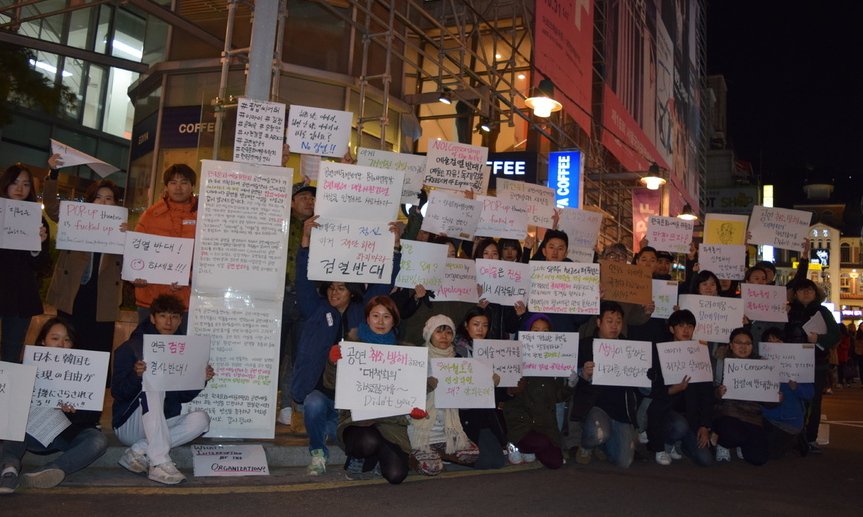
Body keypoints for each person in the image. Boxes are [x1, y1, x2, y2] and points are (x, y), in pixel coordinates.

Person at [291, 215, 400, 476]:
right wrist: (305, 244)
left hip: (352, 400)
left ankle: (347, 442)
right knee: (314, 404)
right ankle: (318, 452)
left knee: (346, 429)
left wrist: (394, 248)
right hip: (320, 391)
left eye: (341, 288)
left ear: (351, 290)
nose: (334, 293)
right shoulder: (315, 309)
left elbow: (383, 283)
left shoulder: (363, 311)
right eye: (330, 288)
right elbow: (304, 282)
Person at [112, 294, 214, 485]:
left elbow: (182, 397)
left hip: (162, 423)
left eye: (174, 317)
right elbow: (118, 392)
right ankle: (159, 462)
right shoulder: (131, 348)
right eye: (163, 316)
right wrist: (137, 376)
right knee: (153, 384)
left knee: (202, 420)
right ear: (152, 318)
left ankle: (138, 451)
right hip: (129, 423)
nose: (169, 322)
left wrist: (201, 379)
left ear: (180, 320)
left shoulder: (182, 351)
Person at [0, 318, 108, 493]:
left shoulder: (85, 372)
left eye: (67, 340)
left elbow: (92, 417)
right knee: (16, 417)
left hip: (65, 434)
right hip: (30, 434)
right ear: (43, 341)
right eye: (55, 338)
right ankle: (9, 470)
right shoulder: (24, 367)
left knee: (98, 440)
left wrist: (74, 411)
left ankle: (51, 470)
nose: (61, 345)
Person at [44, 155, 124, 368]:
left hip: (102, 297)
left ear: (115, 204)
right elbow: (51, 207)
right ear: (91, 201)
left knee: (97, 352)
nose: (103, 202)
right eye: (98, 197)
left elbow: (130, 266)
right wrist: (53, 173)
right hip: (73, 293)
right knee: (68, 344)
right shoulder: (76, 219)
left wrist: (128, 239)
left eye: (109, 198)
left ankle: (90, 397)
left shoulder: (121, 229)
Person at [324, 296, 412, 484]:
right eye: (375, 315)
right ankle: (360, 457)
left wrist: (416, 404)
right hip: (358, 421)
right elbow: (331, 384)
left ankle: (377, 458)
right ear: (367, 318)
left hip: (390, 422)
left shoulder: (406, 353)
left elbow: (414, 388)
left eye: (386, 316)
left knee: (397, 475)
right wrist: (332, 363)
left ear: (394, 320)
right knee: (367, 442)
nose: (380, 322)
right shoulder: (352, 347)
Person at [408, 315, 480, 475]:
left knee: (472, 455)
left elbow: (469, 392)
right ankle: (416, 454)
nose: (444, 336)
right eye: (438, 332)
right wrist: (425, 387)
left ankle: (439, 451)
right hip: (424, 426)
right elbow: (405, 392)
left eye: (448, 332)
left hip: (448, 426)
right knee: (432, 468)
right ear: (429, 335)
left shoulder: (459, 360)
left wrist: (488, 381)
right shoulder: (417, 359)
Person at [572, 302, 639, 468]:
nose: (614, 326)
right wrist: (584, 374)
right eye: (609, 321)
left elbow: (642, 387)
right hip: (594, 407)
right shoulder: (585, 345)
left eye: (618, 321)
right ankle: (587, 446)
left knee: (625, 462)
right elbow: (570, 379)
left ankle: (602, 444)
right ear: (598, 322)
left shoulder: (631, 348)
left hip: (620, 410)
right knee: (598, 433)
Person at [502, 314, 574, 469]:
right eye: (535, 330)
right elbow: (505, 394)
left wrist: (570, 384)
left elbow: (558, 396)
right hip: (521, 420)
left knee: (555, 462)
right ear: (527, 332)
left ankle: (529, 448)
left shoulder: (555, 362)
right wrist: (513, 388)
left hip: (544, 422)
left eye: (545, 331)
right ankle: (515, 444)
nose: (540, 335)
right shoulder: (514, 356)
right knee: (541, 443)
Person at [131, 164, 197, 331]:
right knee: (148, 350)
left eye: (184, 182)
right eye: (173, 182)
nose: (178, 187)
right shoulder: (150, 215)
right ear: (166, 186)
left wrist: (188, 278)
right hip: (151, 300)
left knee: (182, 353)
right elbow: (135, 252)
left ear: (192, 186)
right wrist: (135, 276)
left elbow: (211, 257)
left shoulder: (205, 216)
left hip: (188, 301)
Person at [645, 310, 713, 466]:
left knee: (706, 460)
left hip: (692, 415)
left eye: (690, 326)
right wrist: (670, 390)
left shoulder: (700, 353)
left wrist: (705, 425)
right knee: (679, 426)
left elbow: (707, 394)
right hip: (666, 412)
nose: (686, 330)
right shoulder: (661, 352)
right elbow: (650, 388)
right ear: (671, 329)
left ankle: (680, 444)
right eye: (681, 326)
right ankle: (664, 445)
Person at [277, 180, 317, 429]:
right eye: (302, 196)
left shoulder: (324, 225)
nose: (308, 201)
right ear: (290, 202)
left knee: (300, 355)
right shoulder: (281, 221)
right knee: (276, 353)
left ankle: (291, 406)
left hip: (308, 298)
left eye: (312, 198)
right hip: (279, 295)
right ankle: (272, 403)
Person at [0, 164, 50, 363]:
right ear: (5, 185)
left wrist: (38, 246)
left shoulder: (38, 220)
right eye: (15, 183)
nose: (20, 189)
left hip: (20, 297)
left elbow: (42, 264)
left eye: (26, 184)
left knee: (10, 357)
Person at [785, 279, 840, 453]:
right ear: (796, 294)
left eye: (810, 290)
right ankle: (792, 435)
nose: (806, 293)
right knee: (791, 398)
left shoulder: (823, 312)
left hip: (817, 363)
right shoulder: (789, 311)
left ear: (815, 293)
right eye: (802, 290)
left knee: (814, 402)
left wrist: (820, 340)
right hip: (792, 362)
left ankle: (810, 438)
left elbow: (835, 334)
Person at [453, 307, 508, 469]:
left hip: (485, 412)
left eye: (485, 325)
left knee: (497, 462)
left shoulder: (493, 350)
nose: (480, 329)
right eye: (476, 324)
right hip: (463, 413)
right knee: (484, 462)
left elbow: (502, 393)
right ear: (466, 325)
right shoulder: (455, 351)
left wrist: (500, 385)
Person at [712, 328, 777, 465]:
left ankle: (742, 443)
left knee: (759, 459)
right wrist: (718, 393)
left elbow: (769, 404)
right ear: (731, 345)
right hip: (727, 415)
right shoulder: (721, 362)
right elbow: (708, 395)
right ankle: (723, 443)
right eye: (739, 343)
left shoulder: (762, 365)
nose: (743, 347)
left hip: (752, 417)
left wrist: (777, 398)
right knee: (733, 433)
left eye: (748, 343)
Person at [760, 327, 815, 459]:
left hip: (789, 422)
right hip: (766, 419)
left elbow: (810, 394)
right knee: (757, 449)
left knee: (770, 453)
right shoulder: (759, 365)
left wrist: (796, 388)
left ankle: (796, 440)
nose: (774, 345)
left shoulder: (797, 365)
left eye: (778, 341)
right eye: (769, 342)